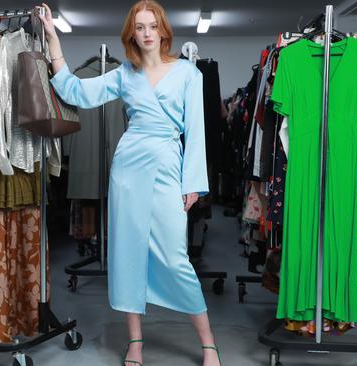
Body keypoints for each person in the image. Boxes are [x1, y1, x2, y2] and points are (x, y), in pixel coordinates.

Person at [39, 1, 221, 365]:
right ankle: (135, 341)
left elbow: (196, 132)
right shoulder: (125, 74)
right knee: (127, 253)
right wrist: (53, 42)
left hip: (169, 165)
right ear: (132, 34)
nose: (148, 33)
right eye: (140, 27)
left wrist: (194, 183)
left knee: (175, 256)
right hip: (128, 169)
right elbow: (77, 93)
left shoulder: (188, 73)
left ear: (164, 31)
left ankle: (208, 343)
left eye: (153, 26)